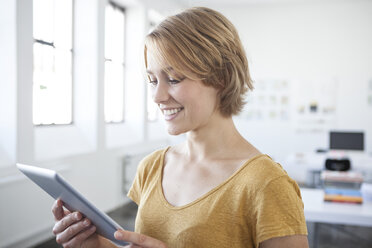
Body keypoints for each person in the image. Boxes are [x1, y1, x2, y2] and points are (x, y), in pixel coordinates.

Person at [51, 7, 309, 248]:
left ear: (221, 77)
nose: (157, 96)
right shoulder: (151, 167)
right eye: (152, 80)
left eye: (173, 78)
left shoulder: (267, 184)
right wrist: (96, 244)